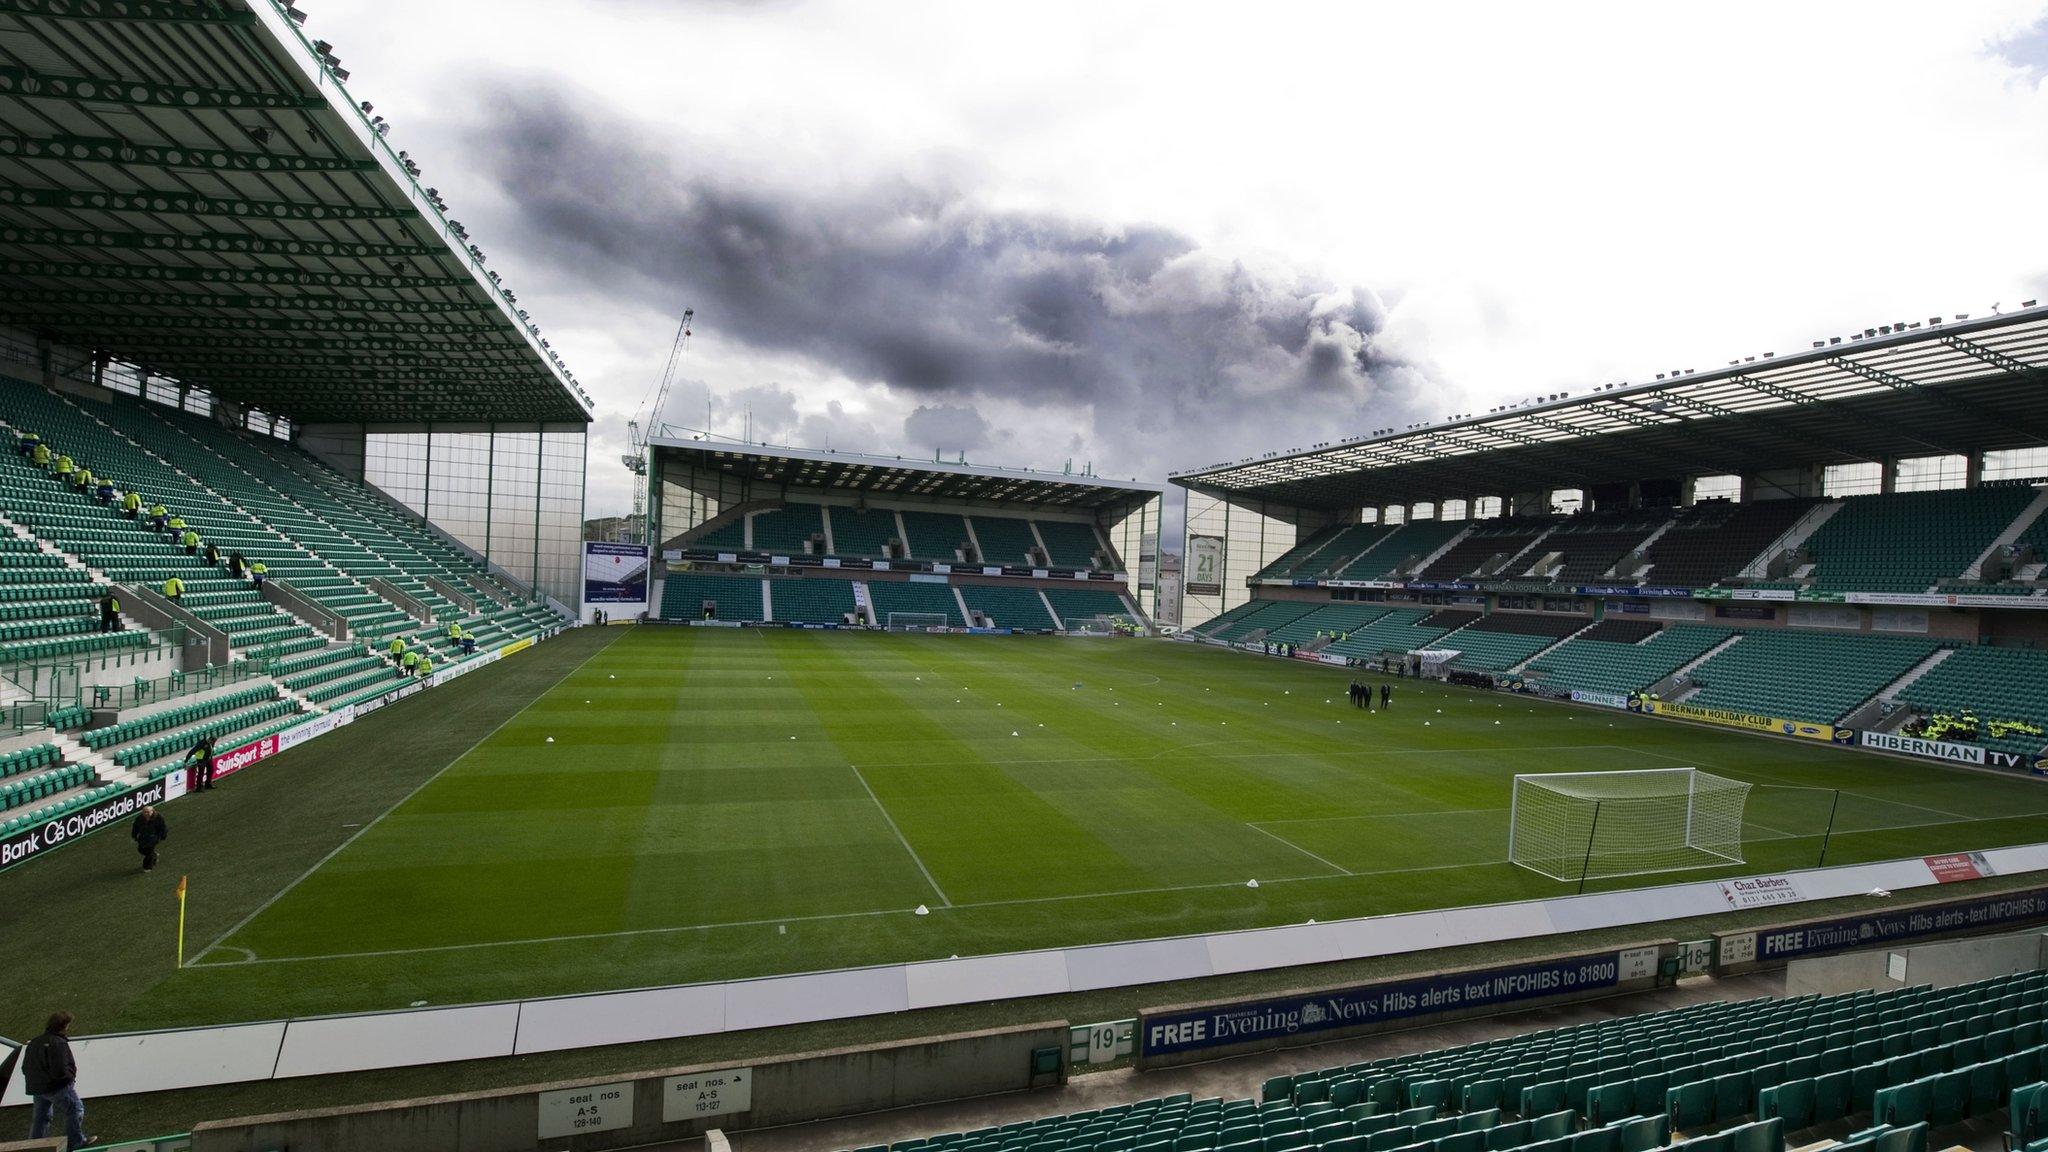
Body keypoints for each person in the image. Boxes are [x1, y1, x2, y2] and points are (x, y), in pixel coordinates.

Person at [24, 1011, 89, 1150]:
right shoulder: (58, 1043)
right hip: (56, 1087)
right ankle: (75, 1142)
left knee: (41, 1118)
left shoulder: (34, 1042)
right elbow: (60, 1070)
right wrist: (70, 1076)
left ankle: (35, 1146)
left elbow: (25, 1067)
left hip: (37, 1088)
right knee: (76, 1110)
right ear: (63, 1025)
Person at [131, 804, 167, 872]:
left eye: (147, 812)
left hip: (153, 837)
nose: (146, 813)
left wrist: (161, 837)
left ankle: (147, 867)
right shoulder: (139, 818)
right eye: (144, 812)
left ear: (152, 811)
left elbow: (163, 828)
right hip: (143, 836)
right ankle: (154, 855)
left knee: (149, 852)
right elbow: (135, 827)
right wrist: (134, 836)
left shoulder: (158, 818)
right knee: (141, 849)